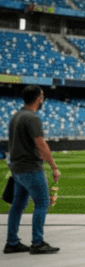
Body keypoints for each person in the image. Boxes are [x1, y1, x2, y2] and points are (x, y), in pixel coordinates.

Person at [5, 85, 61, 255]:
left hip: (17, 169)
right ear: (40, 97)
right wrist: (53, 166)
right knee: (42, 203)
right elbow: (41, 144)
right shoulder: (32, 118)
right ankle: (37, 242)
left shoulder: (16, 116)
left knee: (17, 205)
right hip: (31, 168)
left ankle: (12, 242)